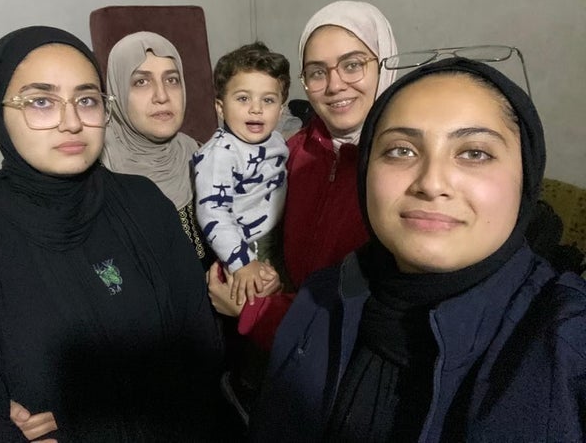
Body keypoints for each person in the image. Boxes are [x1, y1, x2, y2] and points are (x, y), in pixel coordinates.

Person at [0, 26, 229, 442]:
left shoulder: (145, 202)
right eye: (41, 101)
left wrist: (80, 416)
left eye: (86, 99)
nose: (72, 122)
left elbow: (201, 351)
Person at [251, 57, 586, 442]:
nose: (431, 182)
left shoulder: (567, 343)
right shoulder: (324, 295)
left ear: (525, 177)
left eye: (474, 153)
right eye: (401, 151)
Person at [208, 1, 398, 350]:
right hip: (280, 355)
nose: (335, 85)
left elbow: (371, 317)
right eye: (316, 72)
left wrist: (256, 311)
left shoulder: (402, 171)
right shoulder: (293, 151)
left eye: (353, 65)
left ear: (385, 63)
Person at [100, 31, 214, 268]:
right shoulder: (98, 176)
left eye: (172, 80)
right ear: (116, 93)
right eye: (141, 82)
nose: (162, 96)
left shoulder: (198, 153)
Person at [194, 42, 289, 305]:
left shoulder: (276, 140)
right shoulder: (220, 154)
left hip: (277, 235)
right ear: (221, 107)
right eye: (243, 98)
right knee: (252, 305)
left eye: (268, 100)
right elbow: (212, 211)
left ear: (281, 110)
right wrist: (242, 261)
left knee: (280, 298)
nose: (256, 109)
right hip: (244, 244)